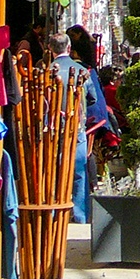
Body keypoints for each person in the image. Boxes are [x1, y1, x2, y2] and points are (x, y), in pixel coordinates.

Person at [48, 33, 97, 223]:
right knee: (78, 174)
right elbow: (92, 98)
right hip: (76, 127)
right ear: (69, 48)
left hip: (52, 131)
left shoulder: (46, 72)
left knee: (52, 173)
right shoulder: (80, 70)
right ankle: (80, 216)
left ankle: (53, 214)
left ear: (51, 50)